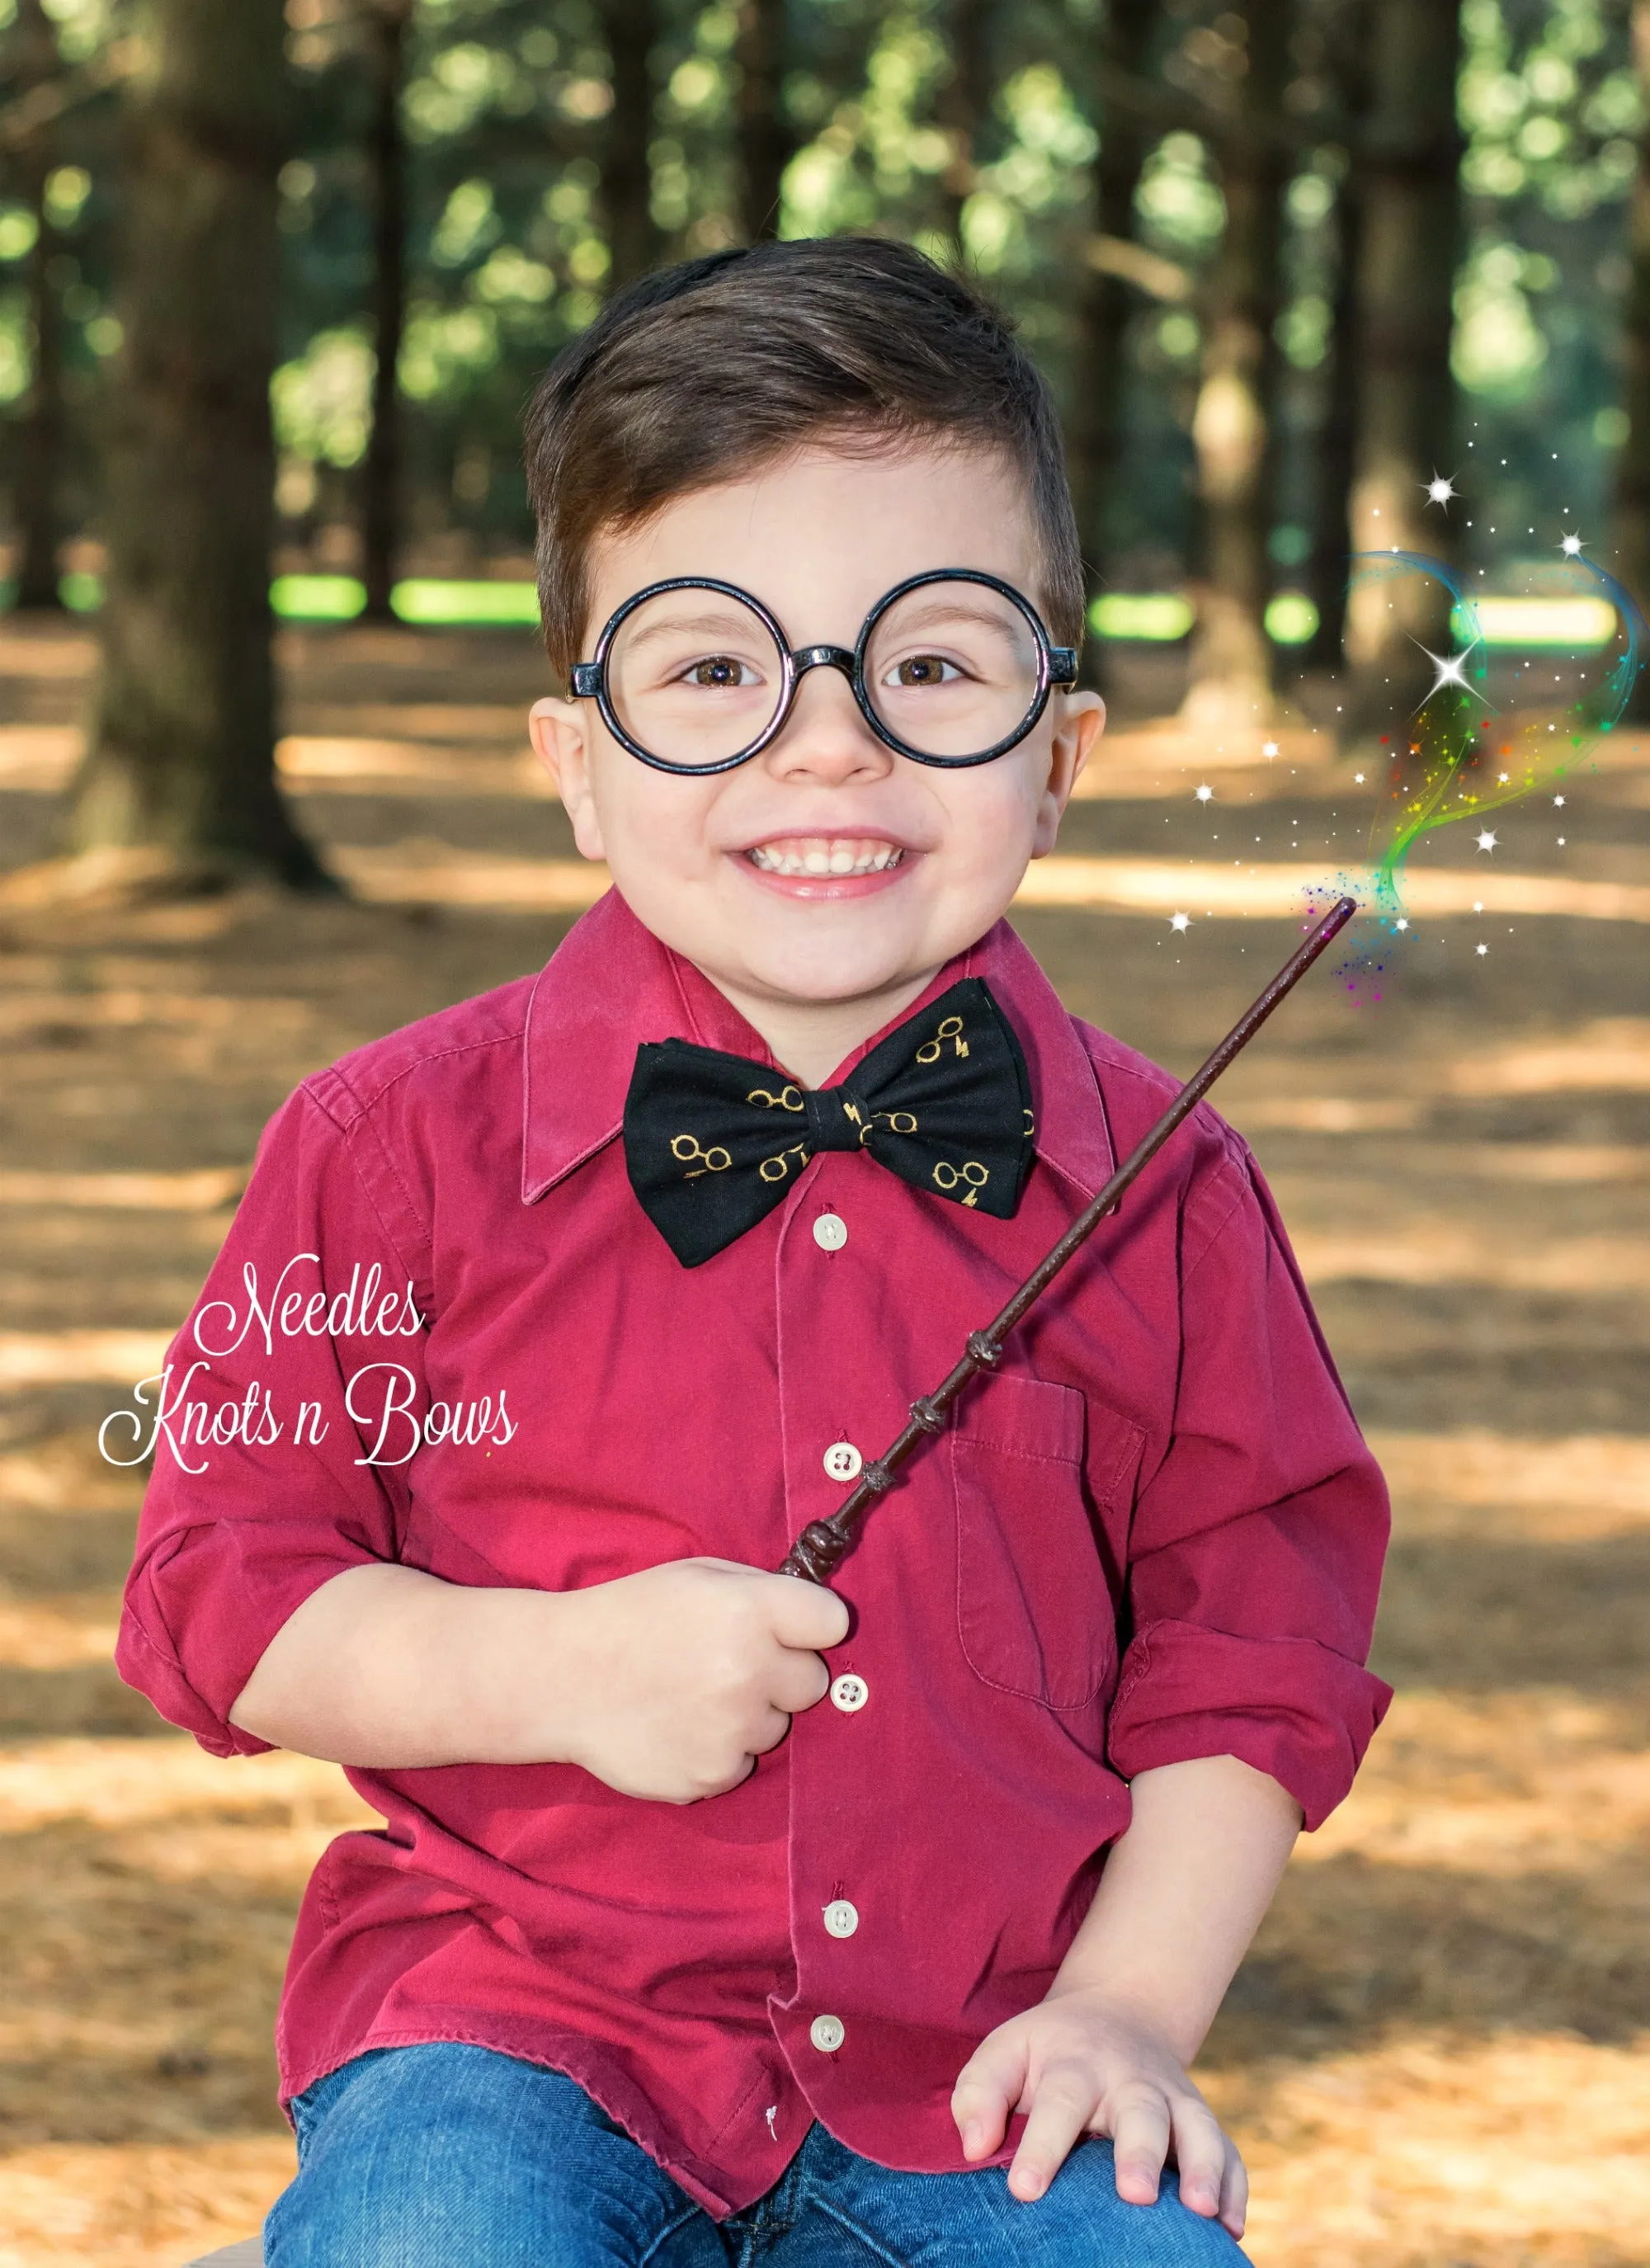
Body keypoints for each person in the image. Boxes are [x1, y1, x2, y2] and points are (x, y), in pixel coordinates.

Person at [118, 238, 1390, 2267]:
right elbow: (215, 1586)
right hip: (508, 2032)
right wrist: (550, 1665)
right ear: (580, 769)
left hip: (990, 2060)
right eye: (714, 667)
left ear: (1055, 756)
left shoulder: (1168, 1185)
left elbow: (1254, 1660)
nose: (829, 745)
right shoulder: (375, 1152)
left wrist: (1128, 2017)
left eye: (935, 666)